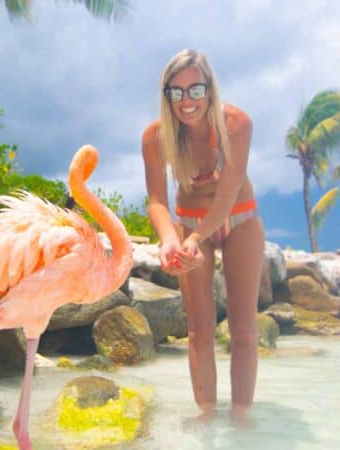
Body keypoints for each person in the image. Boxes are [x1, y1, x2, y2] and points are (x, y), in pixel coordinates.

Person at [141, 49, 264, 424]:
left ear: (210, 87)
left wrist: (194, 241)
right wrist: (170, 241)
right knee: (199, 329)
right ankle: (207, 417)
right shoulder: (156, 136)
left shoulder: (236, 124)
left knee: (243, 328)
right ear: (166, 96)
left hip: (240, 221)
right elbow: (158, 200)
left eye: (195, 89)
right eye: (175, 92)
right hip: (190, 224)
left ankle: (242, 419)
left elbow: (227, 194)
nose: (186, 101)